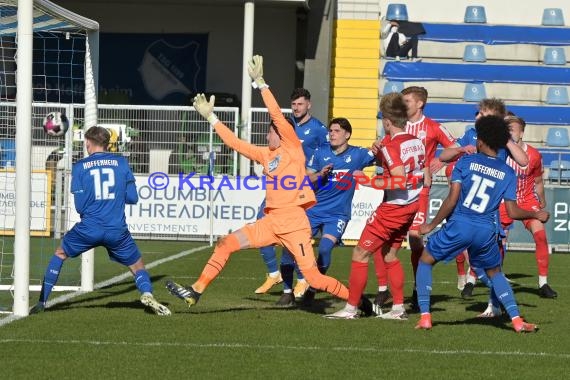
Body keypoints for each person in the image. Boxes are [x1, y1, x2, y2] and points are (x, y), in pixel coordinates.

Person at [165, 56, 371, 315]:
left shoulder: (293, 148)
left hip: (295, 223)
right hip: (271, 221)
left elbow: (275, 113)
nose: (266, 135)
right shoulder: (266, 155)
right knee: (226, 243)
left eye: (270, 131)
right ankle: (196, 291)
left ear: (281, 133)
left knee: (315, 279)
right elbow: (235, 144)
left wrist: (261, 83)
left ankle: (359, 301)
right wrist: (212, 118)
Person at [415, 115, 549, 332]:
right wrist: (536, 214)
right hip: (487, 229)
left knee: (425, 261)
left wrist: (431, 225)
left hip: (461, 223)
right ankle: (516, 321)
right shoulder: (508, 172)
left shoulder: (466, 162)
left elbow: (451, 200)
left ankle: (425, 317)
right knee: (495, 272)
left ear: (481, 141)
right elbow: (513, 211)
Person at [30, 126, 171, 316]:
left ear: (88, 143)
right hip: (116, 230)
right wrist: (114, 197)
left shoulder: (80, 167)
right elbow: (133, 197)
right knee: (137, 266)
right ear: (106, 144)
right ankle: (146, 293)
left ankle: (42, 302)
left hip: (89, 228)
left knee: (60, 254)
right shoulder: (121, 163)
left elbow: (80, 207)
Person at [325, 92, 425, 320]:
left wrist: (367, 180)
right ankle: (398, 308)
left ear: (387, 121)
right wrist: (381, 155)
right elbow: (417, 174)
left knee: (360, 253)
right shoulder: (415, 141)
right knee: (390, 255)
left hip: (394, 208)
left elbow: (400, 180)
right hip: (411, 205)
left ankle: (350, 309)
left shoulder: (392, 146)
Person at [372, 86, 457, 313]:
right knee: (384, 240)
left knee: (415, 237)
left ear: (420, 103)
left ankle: (419, 289)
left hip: (419, 191)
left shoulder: (432, 127)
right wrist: (377, 150)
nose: (404, 104)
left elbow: (455, 148)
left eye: (407, 100)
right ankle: (383, 289)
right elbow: (385, 155)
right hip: (395, 191)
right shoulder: (397, 125)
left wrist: (438, 161)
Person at [276, 117, 376, 306]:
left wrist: (380, 146)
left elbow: (383, 155)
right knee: (289, 248)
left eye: (337, 131)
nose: (332, 134)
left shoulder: (358, 155)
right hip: (313, 210)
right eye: (330, 131)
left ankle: (313, 288)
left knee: (324, 248)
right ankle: (287, 291)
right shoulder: (320, 153)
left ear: (347, 135)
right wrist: (319, 174)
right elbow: (305, 179)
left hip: (337, 214)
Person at [439, 98, 529, 298]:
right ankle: (477, 282)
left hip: (489, 204)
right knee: (468, 243)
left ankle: (486, 290)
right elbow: (444, 156)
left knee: (488, 248)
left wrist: (504, 137)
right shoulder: (471, 134)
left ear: (495, 117)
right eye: (477, 113)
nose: (477, 116)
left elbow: (523, 161)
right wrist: (462, 149)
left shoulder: (502, 140)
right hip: (467, 198)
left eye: (481, 113)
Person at [254, 88, 329, 299]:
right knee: (260, 224)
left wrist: (314, 172)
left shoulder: (318, 129)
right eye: (294, 104)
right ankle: (273, 274)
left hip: (301, 190)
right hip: (279, 187)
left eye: (300, 104)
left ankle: (303, 279)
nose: (296, 108)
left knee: (295, 239)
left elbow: (328, 152)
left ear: (309, 105)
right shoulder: (285, 125)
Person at [498, 115, 557, 299]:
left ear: (521, 132)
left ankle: (543, 283)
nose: (509, 133)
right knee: (494, 241)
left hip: (527, 201)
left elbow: (538, 180)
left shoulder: (534, 155)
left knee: (540, 235)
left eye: (513, 129)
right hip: (503, 201)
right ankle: (474, 278)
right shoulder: (500, 152)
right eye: (506, 129)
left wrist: (542, 201)